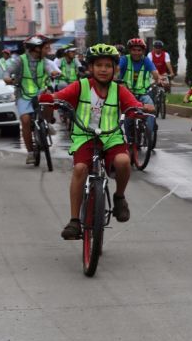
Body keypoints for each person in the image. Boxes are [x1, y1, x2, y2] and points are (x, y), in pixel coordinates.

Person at [38, 44, 154, 240]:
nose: (103, 69)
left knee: (124, 162)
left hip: (111, 136)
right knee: (80, 169)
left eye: (108, 65)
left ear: (115, 69)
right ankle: (75, 221)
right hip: (84, 136)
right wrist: (49, 99)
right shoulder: (80, 86)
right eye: (98, 65)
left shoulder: (119, 90)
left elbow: (133, 106)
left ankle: (119, 198)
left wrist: (143, 108)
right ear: (90, 68)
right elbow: (56, 99)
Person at [3, 35, 61, 164]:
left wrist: (53, 73)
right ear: (35, 49)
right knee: (25, 121)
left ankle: (46, 123)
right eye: (43, 48)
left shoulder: (44, 60)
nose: (46, 51)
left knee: (48, 100)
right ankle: (30, 153)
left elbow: (49, 69)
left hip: (40, 92)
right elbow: (8, 72)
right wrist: (7, 78)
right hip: (23, 94)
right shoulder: (20, 60)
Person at [119, 38, 161, 135]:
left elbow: (154, 72)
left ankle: (150, 132)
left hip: (143, 93)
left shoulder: (146, 60)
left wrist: (158, 79)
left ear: (143, 51)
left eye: (139, 50)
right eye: (134, 50)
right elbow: (117, 69)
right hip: (127, 94)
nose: (136, 53)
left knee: (150, 108)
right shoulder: (124, 59)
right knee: (127, 116)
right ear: (130, 50)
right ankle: (128, 137)